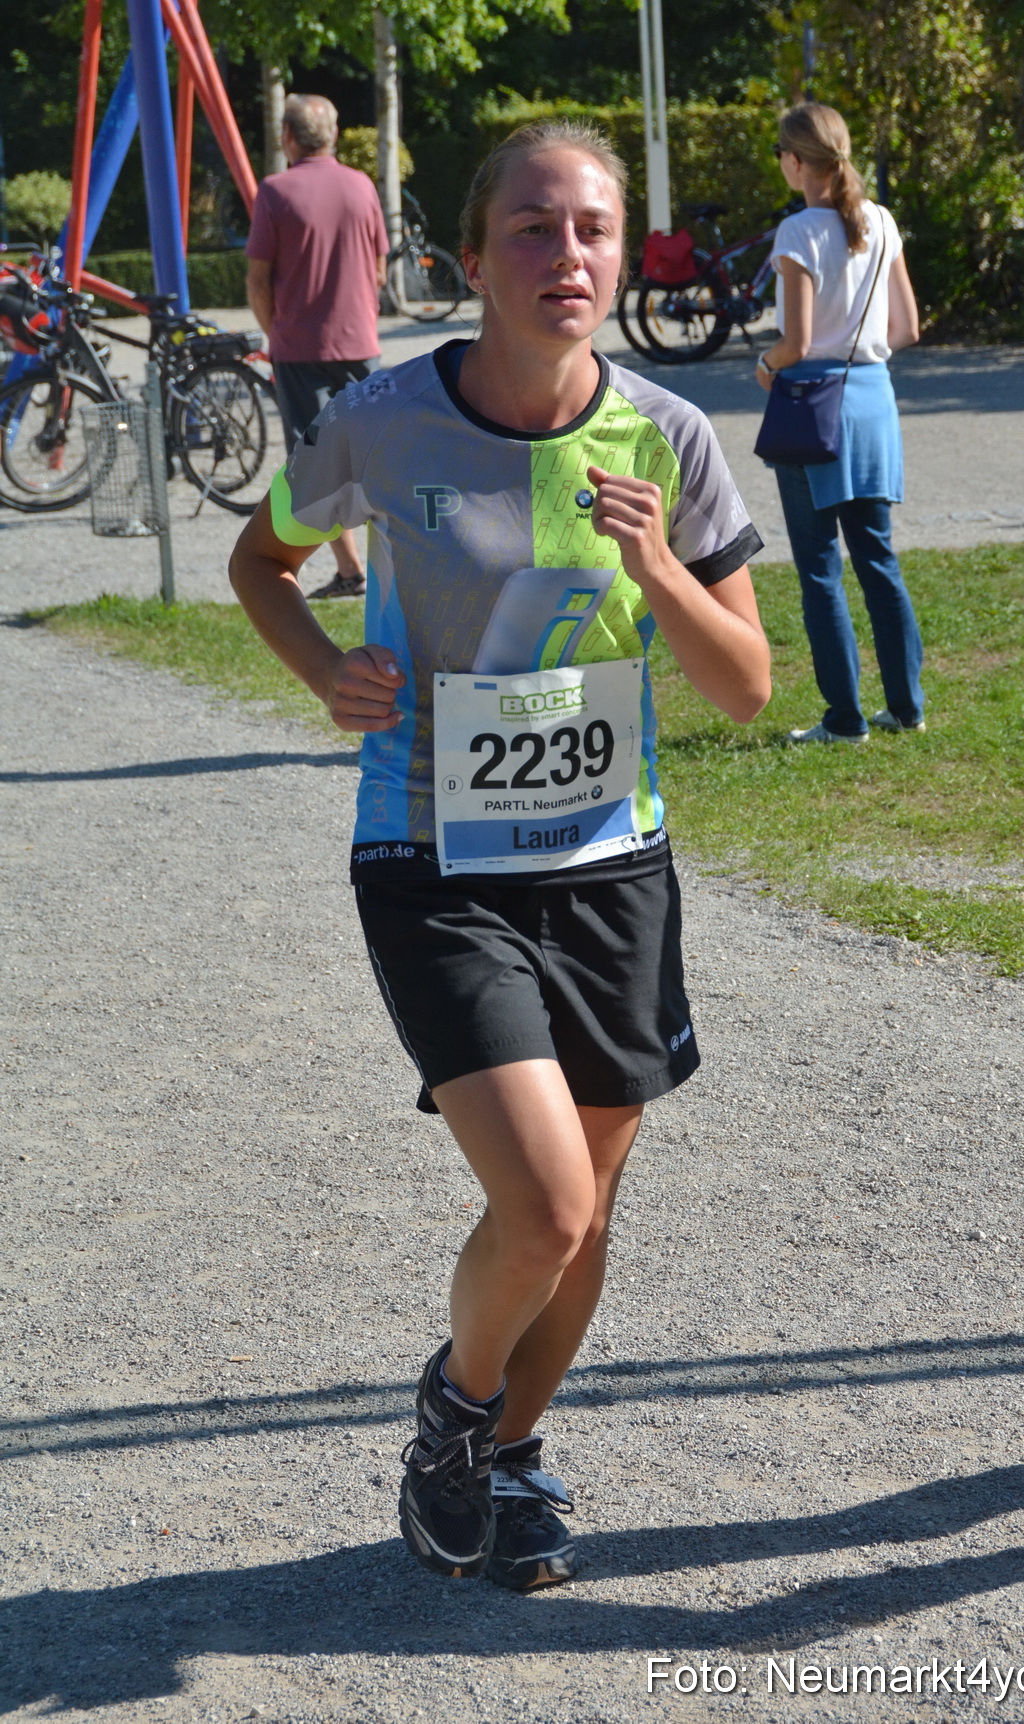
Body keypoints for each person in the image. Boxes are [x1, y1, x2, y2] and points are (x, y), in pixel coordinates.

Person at [229, 119, 770, 1593]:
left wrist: (659, 570)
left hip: (611, 867)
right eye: (531, 230)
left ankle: (506, 1454)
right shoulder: (383, 423)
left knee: (587, 1206)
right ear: (467, 260)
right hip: (433, 854)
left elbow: (746, 685)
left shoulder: (665, 434)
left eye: (592, 229)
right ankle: (454, 1415)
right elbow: (258, 561)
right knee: (540, 1200)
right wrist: (318, 664)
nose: (567, 256)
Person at [756, 101, 925, 743]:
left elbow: (794, 343)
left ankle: (845, 719)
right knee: (878, 559)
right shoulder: (880, 221)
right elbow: (906, 328)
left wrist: (766, 364)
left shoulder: (798, 233)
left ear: (797, 162)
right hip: (873, 400)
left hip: (812, 407)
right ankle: (906, 707)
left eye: (781, 155)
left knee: (820, 566)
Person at [246, 92, 388, 601]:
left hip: (299, 347)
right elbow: (378, 270)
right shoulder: (361, 186)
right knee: (379, 455)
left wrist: (275, 330)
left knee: (314, 464)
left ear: (287, 136)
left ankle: (350, 570)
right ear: (332, 134)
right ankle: (388, 562)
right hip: (359, 342)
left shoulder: (275, 192)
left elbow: (258, 280)